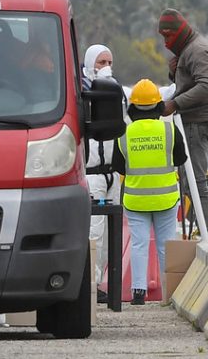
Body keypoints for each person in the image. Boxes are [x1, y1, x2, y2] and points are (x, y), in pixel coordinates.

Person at [112, 78, 187, 305]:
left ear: (132, 107)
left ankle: (137, 293)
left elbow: (118, 166)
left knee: (139, 244)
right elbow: (181, 158)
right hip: (166, 197)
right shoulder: (169, 129)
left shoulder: (124, 133)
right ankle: (168, 294)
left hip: (136, 200)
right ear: (158, 106)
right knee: (166, 245)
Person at [157, 8, 208, 232]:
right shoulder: (189, 50)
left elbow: (207, 85)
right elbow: (191, 82)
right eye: (162, 36)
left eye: (168, 35)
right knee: (189, 181)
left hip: (199, 122)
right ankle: (204, 230)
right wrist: (173, 72)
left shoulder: (196, 50)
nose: (166, 41)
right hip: (197, 122)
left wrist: (174, 104)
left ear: (179, 31)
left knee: (195, 181)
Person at [82, 43, 121, 304]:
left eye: (109, 62)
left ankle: (101, 282)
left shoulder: (117, 92)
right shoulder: (82, 93)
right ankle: (90, 286)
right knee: (93, 232)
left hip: (112, 174)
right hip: (92, 173)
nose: (106, 67)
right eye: (101, 62)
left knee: (109, 237)